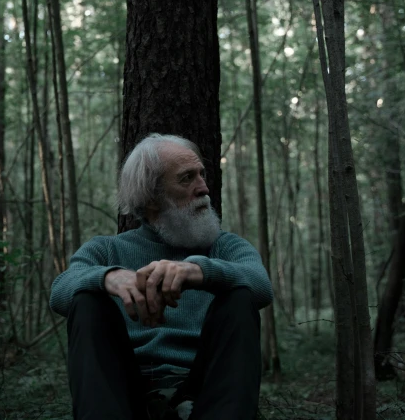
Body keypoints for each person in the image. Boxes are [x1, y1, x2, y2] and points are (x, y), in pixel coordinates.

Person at [49, 133, 274, 420]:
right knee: (86, 300)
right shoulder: (106, 249)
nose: (204, 188)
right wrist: (110, 277)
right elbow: (60, 291)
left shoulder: (225, 246)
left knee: (241, 296)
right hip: (124, 388)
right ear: (152, 197)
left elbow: (261, 286)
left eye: (202, 175)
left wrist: (198, 270)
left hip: (207, 386)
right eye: (186, 178)